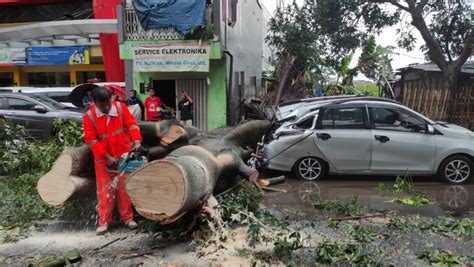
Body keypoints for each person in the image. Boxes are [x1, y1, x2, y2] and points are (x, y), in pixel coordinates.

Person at [82, 87, 142, 235]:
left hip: (123, 155)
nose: (107, 107)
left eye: (108, 103)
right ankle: (103, 222)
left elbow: (132, 125)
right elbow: (91, 140)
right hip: (103, 159)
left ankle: (127, 218)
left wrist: (137, 140)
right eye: (103, 105)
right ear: (95, 103)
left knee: (124, 188)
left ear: (111, 99)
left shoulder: (121, 108)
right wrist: (106, 156)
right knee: (105, 190)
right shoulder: (89, 117)